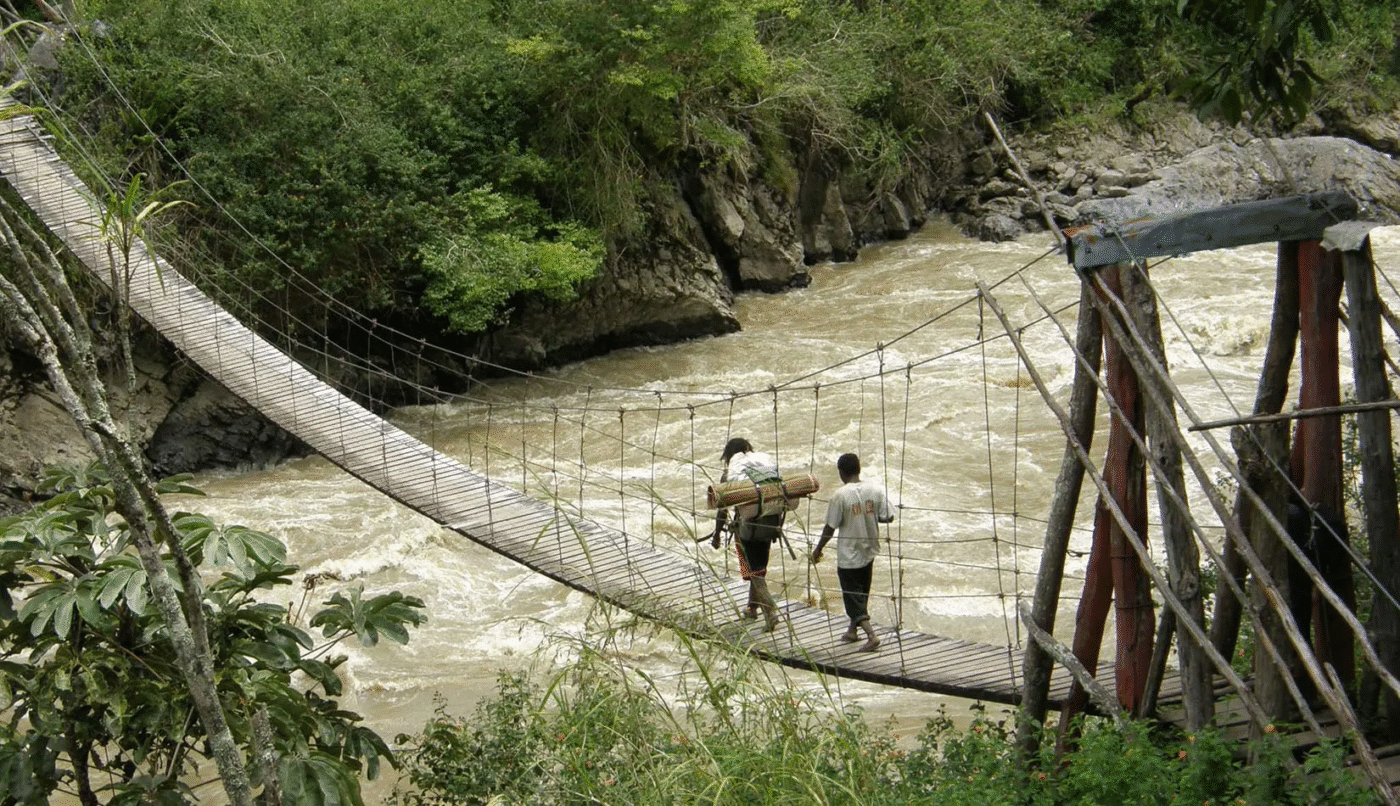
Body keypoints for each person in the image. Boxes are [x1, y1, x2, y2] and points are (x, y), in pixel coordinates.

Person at [810, 453, 893, 652]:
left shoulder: (840, 496)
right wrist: (868, 517)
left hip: (849, 555)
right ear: (859, 468)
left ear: (841, 472)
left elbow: (830, 527)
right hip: (869, 550)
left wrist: (818, 549)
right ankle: (852, 631)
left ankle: (871, 636)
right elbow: (888, 517)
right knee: (862, 592)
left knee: (851, 597)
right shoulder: (875, 489)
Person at [705, 437, 784, 631]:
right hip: (770, 523)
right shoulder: (764, 471)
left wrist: (717, 534)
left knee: (754, 571)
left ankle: (770, 612)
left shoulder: (730, 475)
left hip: (747, 528)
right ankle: (752, 607)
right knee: (760, 567)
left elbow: (722, 509)